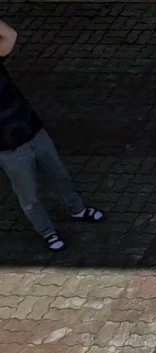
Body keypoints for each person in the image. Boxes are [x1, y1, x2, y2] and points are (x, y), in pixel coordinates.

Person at [0, 20, 104, 251]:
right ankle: (48, 232)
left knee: (60, 175)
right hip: (9, 150)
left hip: (35, 132)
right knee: (29, 196)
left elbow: (9, 36)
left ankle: (77, 209)